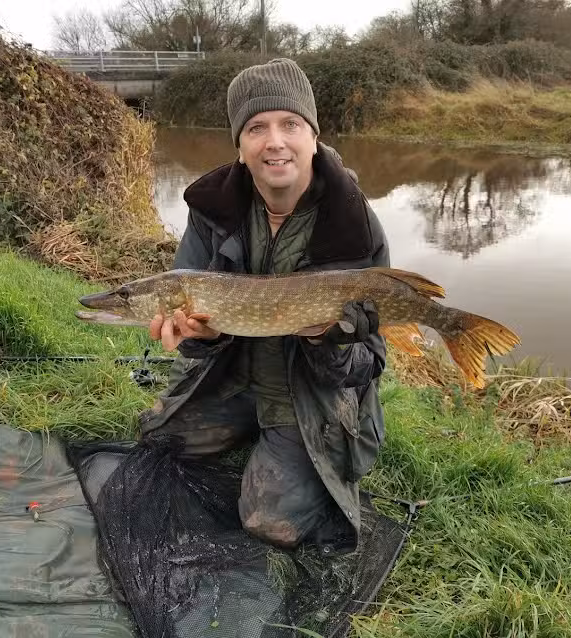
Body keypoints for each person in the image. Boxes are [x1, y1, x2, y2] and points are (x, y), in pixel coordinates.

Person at [139, 58, 390, 554]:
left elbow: (370, 362)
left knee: (266, 520)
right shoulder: (212, 212)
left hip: (310, 393)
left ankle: (302, 454)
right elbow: (196, 333)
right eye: (256, 127)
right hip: (235, 378)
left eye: (290, 124)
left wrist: (331, 340)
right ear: (240, 145)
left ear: (312, 136)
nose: (274, 140)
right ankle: (252, 431)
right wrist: (200, 339)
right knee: (158, 441)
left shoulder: (353, 223)